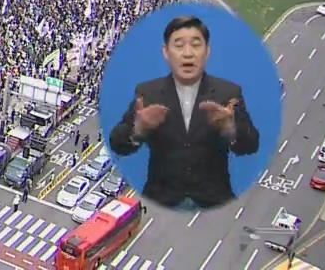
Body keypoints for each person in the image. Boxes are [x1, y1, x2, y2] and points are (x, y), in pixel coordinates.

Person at [108, 15, 260, 210]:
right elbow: (118, 144)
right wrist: (138, 131)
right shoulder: (148, 93)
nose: (187, 53)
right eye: (179, 46)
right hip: (160, 199)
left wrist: (230, 129)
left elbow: (251, 145)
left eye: (196, 45)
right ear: (166, 52)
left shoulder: (228, 94)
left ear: (207, 52)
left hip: (214, 200)